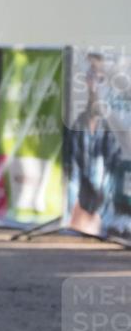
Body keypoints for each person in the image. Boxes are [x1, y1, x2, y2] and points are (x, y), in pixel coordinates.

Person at [67, 53, 123, 236]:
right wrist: (74, 209)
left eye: (100, 79)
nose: (94, 84)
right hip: (80, 212)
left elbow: (112, 178)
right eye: (90, 77)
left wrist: (100, 214)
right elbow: (72, 174)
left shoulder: (113, 126)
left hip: (105, 214)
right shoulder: (77, 124)